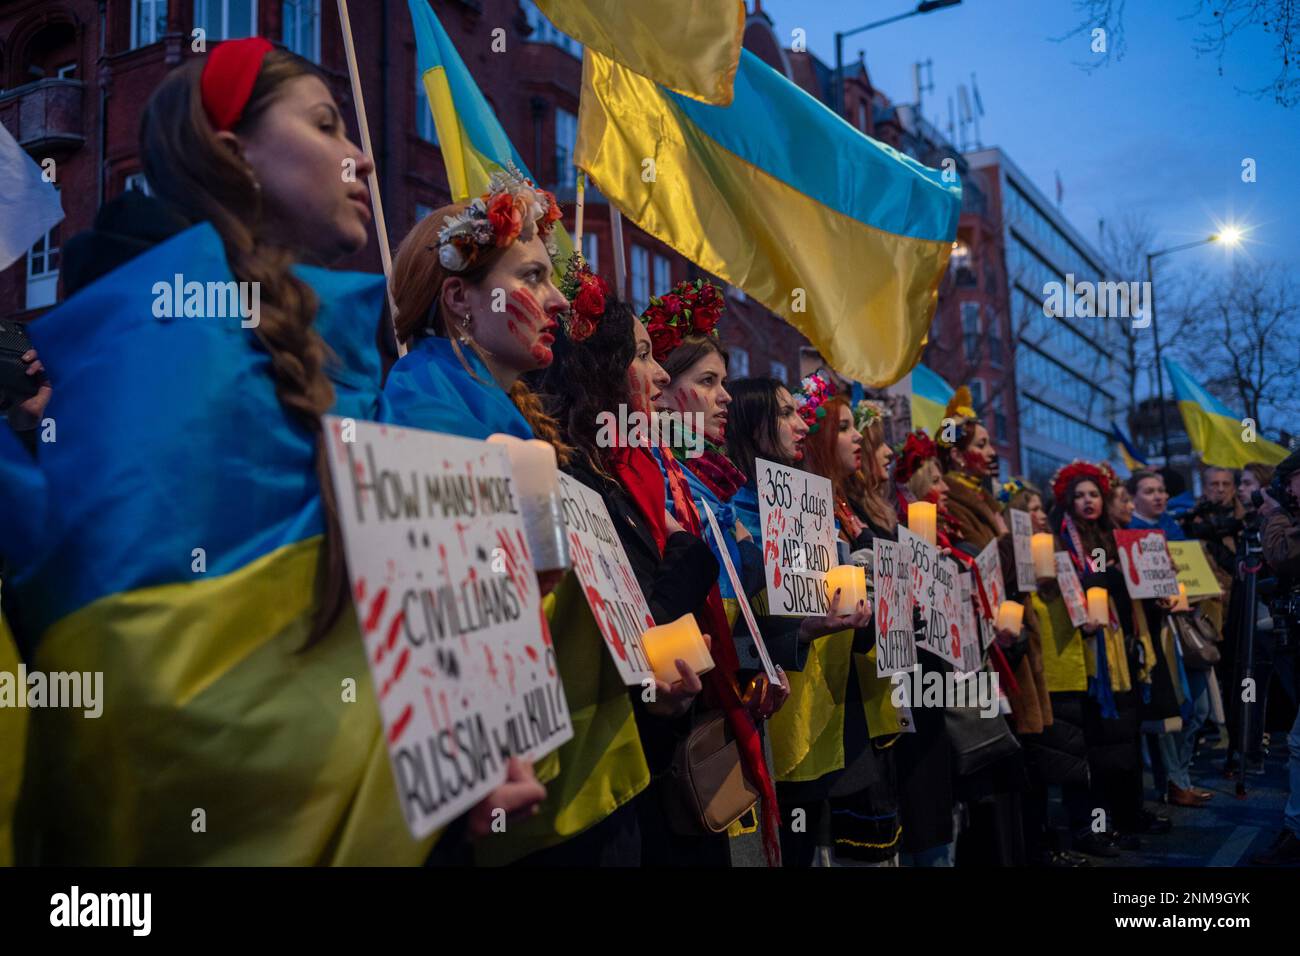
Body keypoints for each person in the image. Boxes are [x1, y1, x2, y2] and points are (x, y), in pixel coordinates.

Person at [4, 38, 543, 864]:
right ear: (234, 155)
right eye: (326, 125)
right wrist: (400, 767)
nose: (360, 155)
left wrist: (459, 739)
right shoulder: (165, 343)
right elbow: (147, 694)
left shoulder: (334, 345)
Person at [725, 376, 881, 866]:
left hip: (822, 713)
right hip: (769, 722)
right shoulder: (731, 511)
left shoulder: (810, 507)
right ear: (753, 426)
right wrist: (806, 629)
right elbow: (738, 632)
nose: (801, 423)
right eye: (787, 414)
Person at [794, 375, 902, 867]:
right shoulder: (809, 507)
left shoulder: (848, 510)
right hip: (830, 699)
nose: (858, 436)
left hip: (864, 688)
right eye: (842, 427)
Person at [1049, 461, 1170, 854]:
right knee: (1096, 749)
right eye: (1080, 495)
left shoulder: (1109, 536)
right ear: (1069, 500)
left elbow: (1114, 583)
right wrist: (1115, 574)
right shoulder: (1064, 540)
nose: (1088, 501)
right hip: (1088, 654)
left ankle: (1124, 816)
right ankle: (1095, 826)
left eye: (1094, 494)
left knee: (1124, 741)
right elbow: (1087, 582)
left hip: (1121, 649)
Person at [1252, 449, 1300, 864]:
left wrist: (1274, 515)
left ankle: (1296, 831)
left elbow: (1283, 556)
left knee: (1299, 742)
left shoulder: (1284, 519)